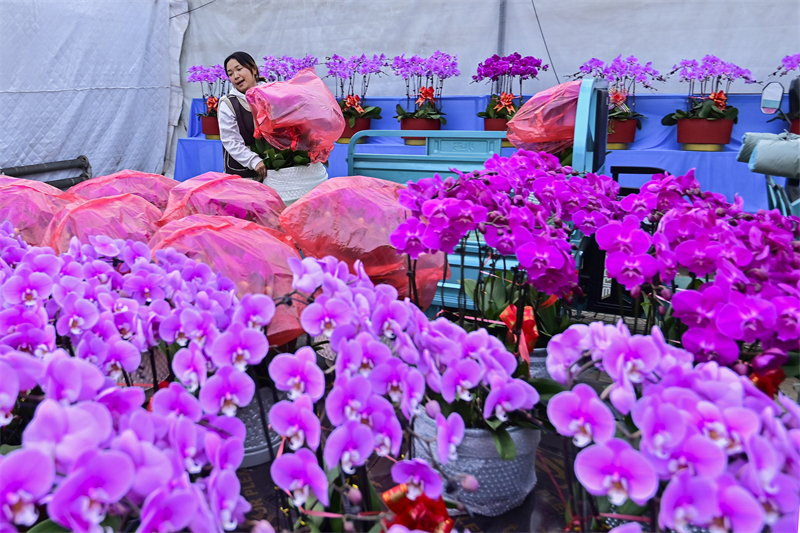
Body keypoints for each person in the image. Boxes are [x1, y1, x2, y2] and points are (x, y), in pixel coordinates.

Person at [218, 51, 267, 180]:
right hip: (243, 173)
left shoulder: (271, 94)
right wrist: (254, 161)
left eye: (239, 69)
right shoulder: (228, 103)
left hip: (274, 168)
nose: (235, 76)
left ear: (254, 69)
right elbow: (231, 141)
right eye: (230, 74)